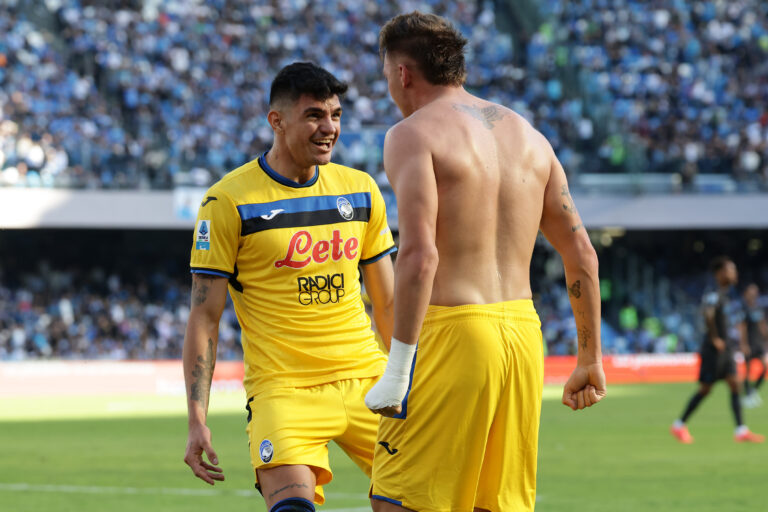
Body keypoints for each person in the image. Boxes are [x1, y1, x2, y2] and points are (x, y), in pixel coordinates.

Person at [363, 12, 606, 512]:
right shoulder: (529, 136)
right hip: (521, 335)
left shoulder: (411, 134)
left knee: (399, 500)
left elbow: (419, 254)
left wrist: (398, 368)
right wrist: (590, 359)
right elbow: (581, 253)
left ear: (403, 73)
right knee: (492, 503)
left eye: (386, 71)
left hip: (453, 332)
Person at [182, 62, 397, 512]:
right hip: (284, 390)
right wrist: (197, 419)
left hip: (368, 380)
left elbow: (388, 301)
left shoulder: (360, 190)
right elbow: (205, 316)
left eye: (336, 115)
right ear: (276, 121)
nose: (329, 128)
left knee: (415, 503)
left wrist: (406, 378)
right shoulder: (228, 202)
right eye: (315, 115)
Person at [670, 257, 764, 443]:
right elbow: (707, 313)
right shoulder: (713, 293)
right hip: (714, 350)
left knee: (735, 384)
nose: (734, 273)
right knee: (705, 389)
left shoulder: (727, 293)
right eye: (731, 270)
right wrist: (715, 338)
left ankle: (741, 430)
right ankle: (679, 425)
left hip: (726, 348)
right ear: (720, 273)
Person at [742, 283, 768, 408]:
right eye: (752, 291)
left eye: (756, 292)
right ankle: (747, 395)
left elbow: (762, 324)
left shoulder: (758, 308)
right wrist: (744, 344)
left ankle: (753, 391)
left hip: (759, 343)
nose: (754, 294)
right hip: (749, 343)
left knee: (765, 367)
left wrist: (766, 337)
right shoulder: (744, 309)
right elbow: (742, 328)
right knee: (747, 371)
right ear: (746, 293)